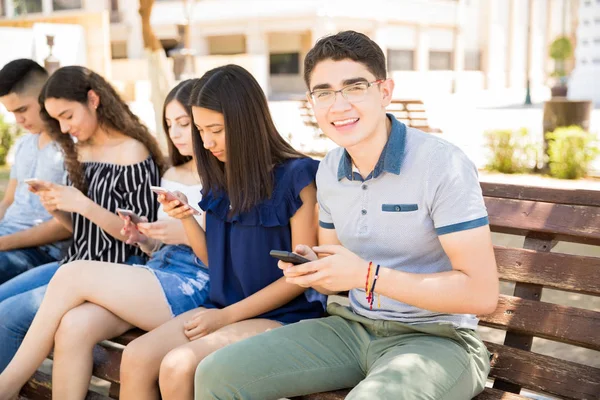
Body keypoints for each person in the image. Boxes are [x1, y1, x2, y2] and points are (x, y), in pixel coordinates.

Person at [193, 31, 499, 400]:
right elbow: (333, 280)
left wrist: (368, 276)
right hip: (350, 327)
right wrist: (314, 269)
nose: (338, 106)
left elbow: (481, 294)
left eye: (354, 87)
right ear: (312, 102)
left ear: (384, 91)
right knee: (217, 373)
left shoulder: (441, 164)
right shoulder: (329, 170)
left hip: (437, 340)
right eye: (323, 92)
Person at [114, 64, 325, 400]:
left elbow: (301, 275)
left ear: (246, 122)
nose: (207, 142)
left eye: (216, 129)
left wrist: (225, 317)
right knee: (136, 356)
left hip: (284, 314)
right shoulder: (219, 175)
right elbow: (215, 260)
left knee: (178, 366)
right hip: (222, 308)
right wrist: (185, 218)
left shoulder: (298, 177)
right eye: (201, 131)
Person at [0, 79, 210, 399]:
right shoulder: (173, 174)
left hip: (189, 283)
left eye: (185, 123)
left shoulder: (223, 177)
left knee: (72, 274)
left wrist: (183, 228)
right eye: (170, 124)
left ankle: (6, 385)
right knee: (73, 325)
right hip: (156, 270)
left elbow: (223, 248)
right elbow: (155, 246)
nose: (176, 133)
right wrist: (143, 235)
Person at [0, 59, 70, 284]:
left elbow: (66, 227)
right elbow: (9, 201)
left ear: (45, 95)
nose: (18, 120)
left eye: (22, 109)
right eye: (12, 112)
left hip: (39, 252)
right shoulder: (24, 144)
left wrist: (3, 242)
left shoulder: (72, 148)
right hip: (6, 239)